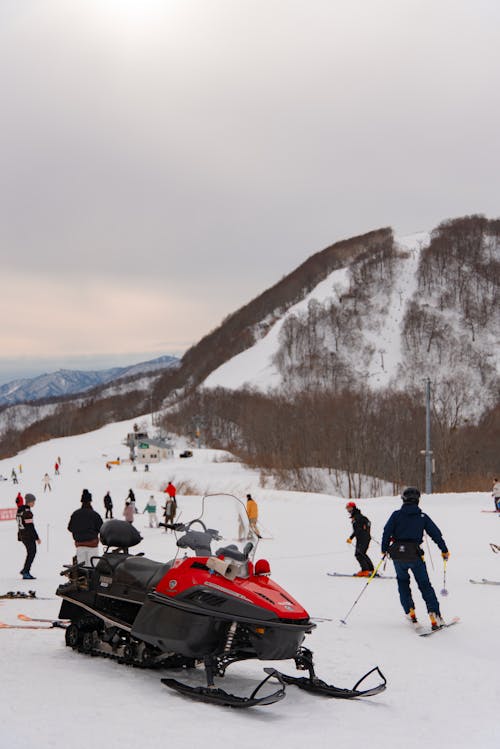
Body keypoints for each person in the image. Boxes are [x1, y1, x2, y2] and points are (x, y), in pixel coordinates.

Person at [381, 486, 450, 630]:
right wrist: (444, 550)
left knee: (403, 583)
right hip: (415, 556)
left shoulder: (396, 515)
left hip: (398, 557)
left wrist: (384, 550)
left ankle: (410, 612)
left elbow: (386, 532)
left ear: (403, 500)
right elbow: (436, 534)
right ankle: (434, 614)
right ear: (418, 500)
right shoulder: (422, 517)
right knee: (425, 585)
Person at [67, 490, 103, 566]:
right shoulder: (94, 514)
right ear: (90, 502)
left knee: (81, 569)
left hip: (80, 545)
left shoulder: (75, 514)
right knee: (93, 566)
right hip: (92, 544)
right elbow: (101, 528)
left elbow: (70, 528)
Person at [345, 501, 374, 576]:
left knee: (358, 554)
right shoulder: (358, 516)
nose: (348, 510)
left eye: (350, 508)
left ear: (354, 508)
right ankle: (371, 570)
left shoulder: (357, 517)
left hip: (363, 538)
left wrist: (350, 538)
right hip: (364, 538)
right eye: (347, 508)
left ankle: (365, 571)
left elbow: (357, 530)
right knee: (362, 553)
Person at [17, 493, 40, 579]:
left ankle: (25, 570)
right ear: (29, 502)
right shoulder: (27, 512)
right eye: (33, 501)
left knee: (30, 553)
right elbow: (30, 526)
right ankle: (26, 571)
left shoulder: (20, 510)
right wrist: (36, 537)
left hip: (22, 535)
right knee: (32, 553)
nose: (34, 503)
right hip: (28, 536)